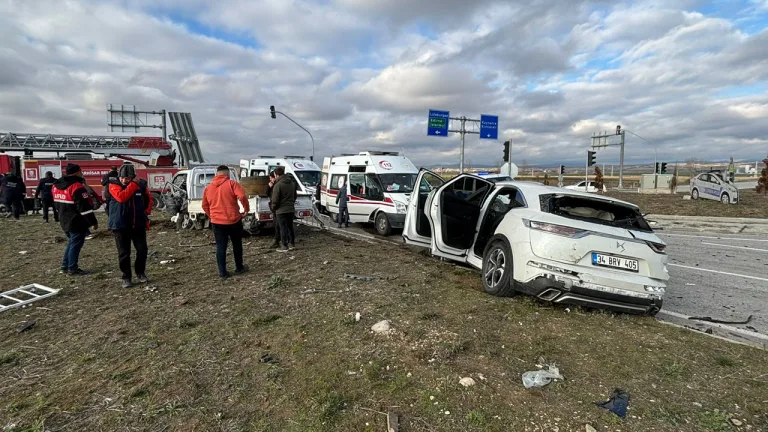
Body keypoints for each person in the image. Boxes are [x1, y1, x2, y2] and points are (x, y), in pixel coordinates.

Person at [108, 164, 152, 288]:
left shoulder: (142, 185)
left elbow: (148, 198)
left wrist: (146, 213)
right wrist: (133, 184)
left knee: (142, 250)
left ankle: (140, 272)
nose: (123, 180)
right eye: (122, 177)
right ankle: (126, 277)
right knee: (124, 253)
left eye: (127, 178)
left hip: (137, 224)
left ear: (132, 176)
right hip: (120, 225)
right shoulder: (113, 185)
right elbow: (121, 197)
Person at [202, 165, 250, 279]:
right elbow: (242, 196)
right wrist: (246, 209)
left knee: (221, 246)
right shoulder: (232, 184)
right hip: (233, 220)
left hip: (217, 222)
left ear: (216, 174)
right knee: (236, 244)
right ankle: (239, 267)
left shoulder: (208, 188)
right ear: (227, 174)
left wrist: (212, 216)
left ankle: (222, 273)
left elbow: (204, 205)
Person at [52, 163, 98, 275]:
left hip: (63, 219)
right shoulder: (77, 187)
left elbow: (55, 204)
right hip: (76, 221)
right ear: (78, 171)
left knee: (72, 242)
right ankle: (72, 268)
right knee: (75, 244)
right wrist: (93, 222)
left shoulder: (55, 186)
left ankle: (65, 265)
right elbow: (84, 208)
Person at [271, 166, 297, 252]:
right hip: (290, 208)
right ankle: (292, 243)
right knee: (290, 227)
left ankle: (284, 246)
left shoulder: (278, 185)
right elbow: (295, 196)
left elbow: (275, 199)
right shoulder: (292, 183)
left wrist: (273, 207)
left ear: (276, 175)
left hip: (281, 210)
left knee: (282, 227)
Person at [267, 171, 281, 248]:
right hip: (275, 207)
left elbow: (275, 197)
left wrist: (273, 207)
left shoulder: (278, 185)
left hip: (277, 208)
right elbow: (267, 194)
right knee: (277, 224)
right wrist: (269, 187)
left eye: (271, 178)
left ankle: (279, 240)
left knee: (278, 225)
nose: (270, 179)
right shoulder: (272, 185)